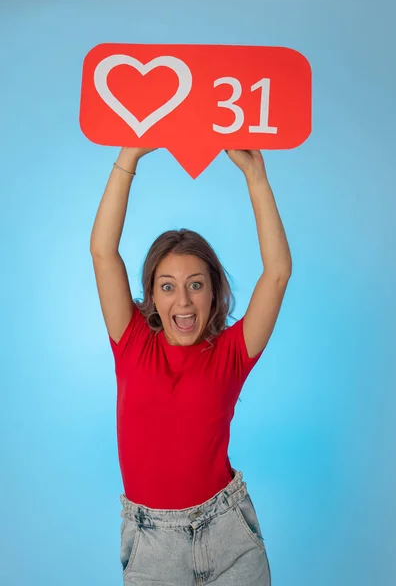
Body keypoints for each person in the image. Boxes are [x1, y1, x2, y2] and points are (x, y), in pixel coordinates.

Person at [90, 147, 292, 585]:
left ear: (214, 293)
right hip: (153, 546)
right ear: (153, 297)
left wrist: (256, 177)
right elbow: (103, 252)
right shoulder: (132, 343)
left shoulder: (231, 354)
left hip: (228, 535)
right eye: (168, 287)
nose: (182, 300)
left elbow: (277, 273)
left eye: (195, 285)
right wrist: (130, 155)